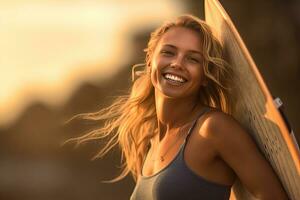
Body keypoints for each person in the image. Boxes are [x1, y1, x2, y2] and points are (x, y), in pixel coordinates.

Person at [71, 15, 288, 199]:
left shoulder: (213, 129)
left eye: (193, 59)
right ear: (150, 60)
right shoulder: (151, 138)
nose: (177, 63)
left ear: (204, 76)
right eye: (169, 52)